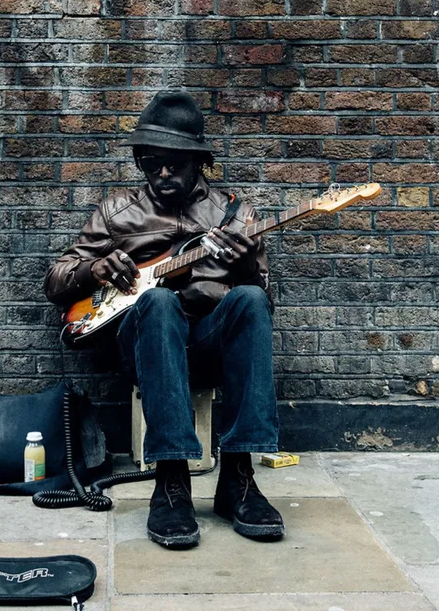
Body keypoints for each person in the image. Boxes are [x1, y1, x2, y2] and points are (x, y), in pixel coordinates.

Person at [44, 90, 283, 549]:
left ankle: (239, 478)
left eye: (173, 163)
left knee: (250, 299)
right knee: (157, 303)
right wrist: (94, 268)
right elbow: (55, 280)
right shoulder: (117, 212)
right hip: (146, 347)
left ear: (199, 162)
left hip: (213, 347)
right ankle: (171, 482)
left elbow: (267, 305)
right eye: (151, 164)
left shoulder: (235, 215)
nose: (162, 174)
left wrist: (248, 265)